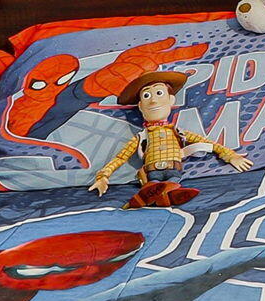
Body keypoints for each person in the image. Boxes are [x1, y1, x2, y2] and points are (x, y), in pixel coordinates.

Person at [89, 70, 253, 208]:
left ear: (171, 100)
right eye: (146, 96)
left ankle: (162, 194)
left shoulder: (178, 132)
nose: (153, 100)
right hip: (152, 171)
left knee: (172, 184)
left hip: (174, 169)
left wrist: (230, 155)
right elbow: (121, 157)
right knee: (156, 184)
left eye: (159, 93)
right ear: (140, 106)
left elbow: (206, 143)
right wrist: (103, 176)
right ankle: (155, 192)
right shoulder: (142, 137)